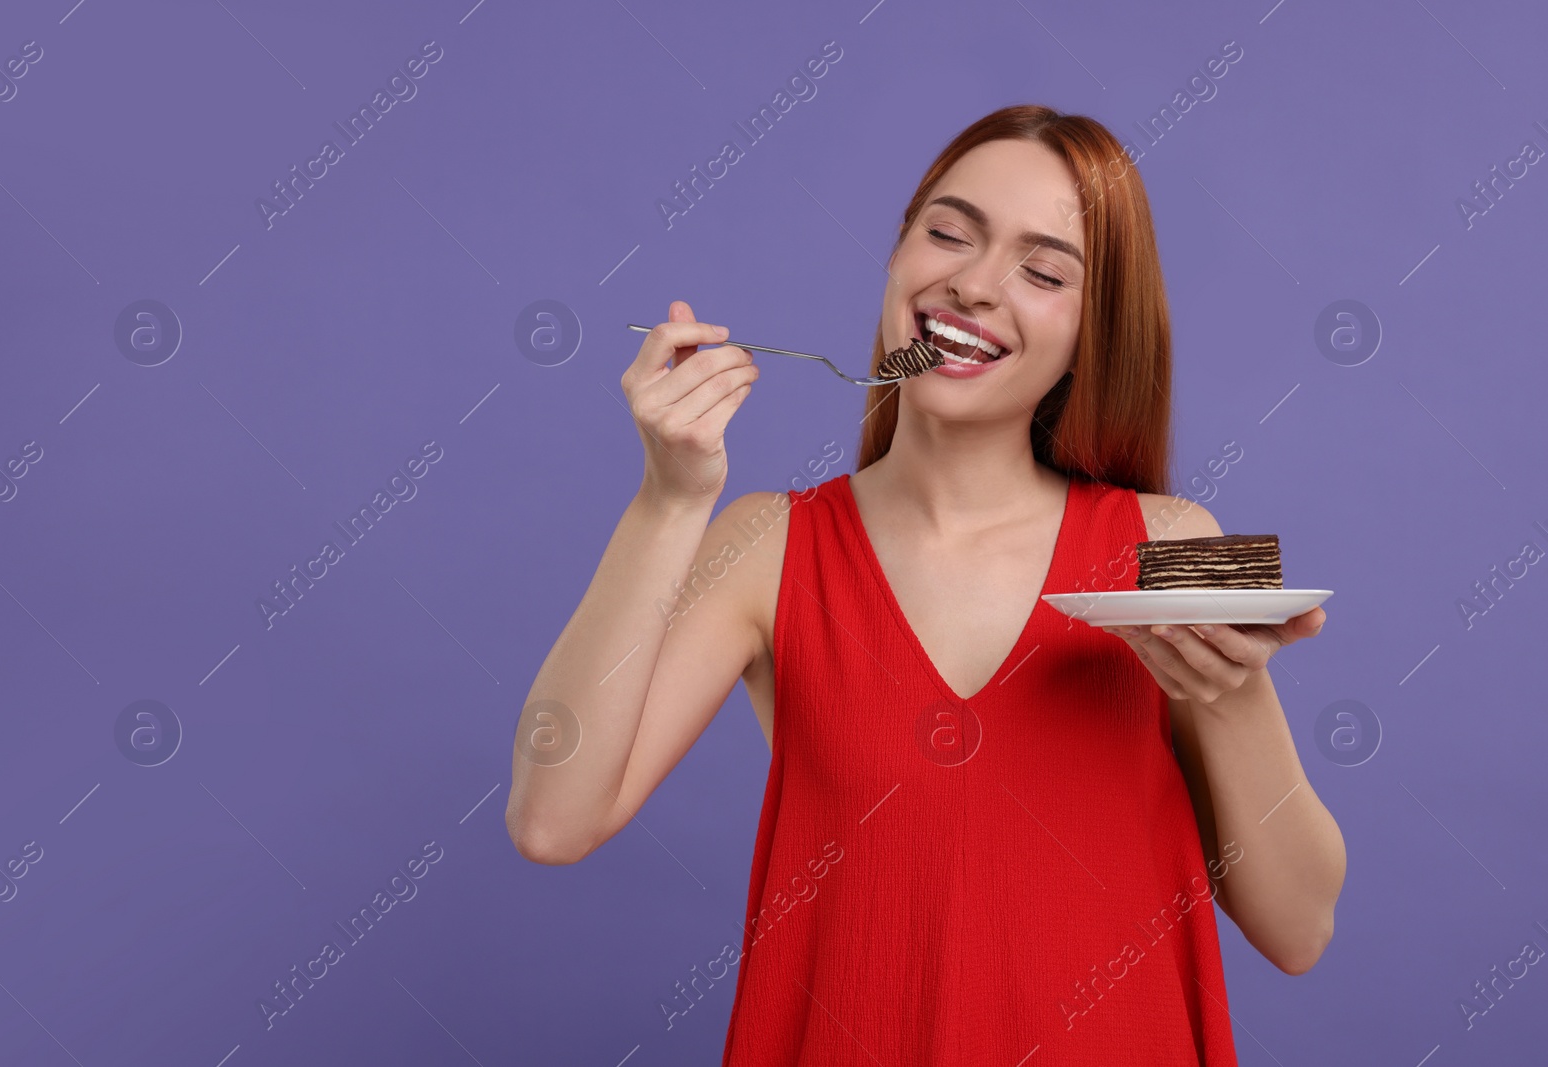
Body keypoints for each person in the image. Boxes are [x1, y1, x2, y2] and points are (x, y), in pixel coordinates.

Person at [506, 103, 1346, 1065]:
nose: (975, 285)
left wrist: (1233, 693)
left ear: (1094, 329)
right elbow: (550, 818)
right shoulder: (766, 544)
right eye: (948, 232)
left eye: (1042, 271)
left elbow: (1301, 929)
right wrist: (667, 501)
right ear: (900, 254)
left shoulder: (1177, 538)